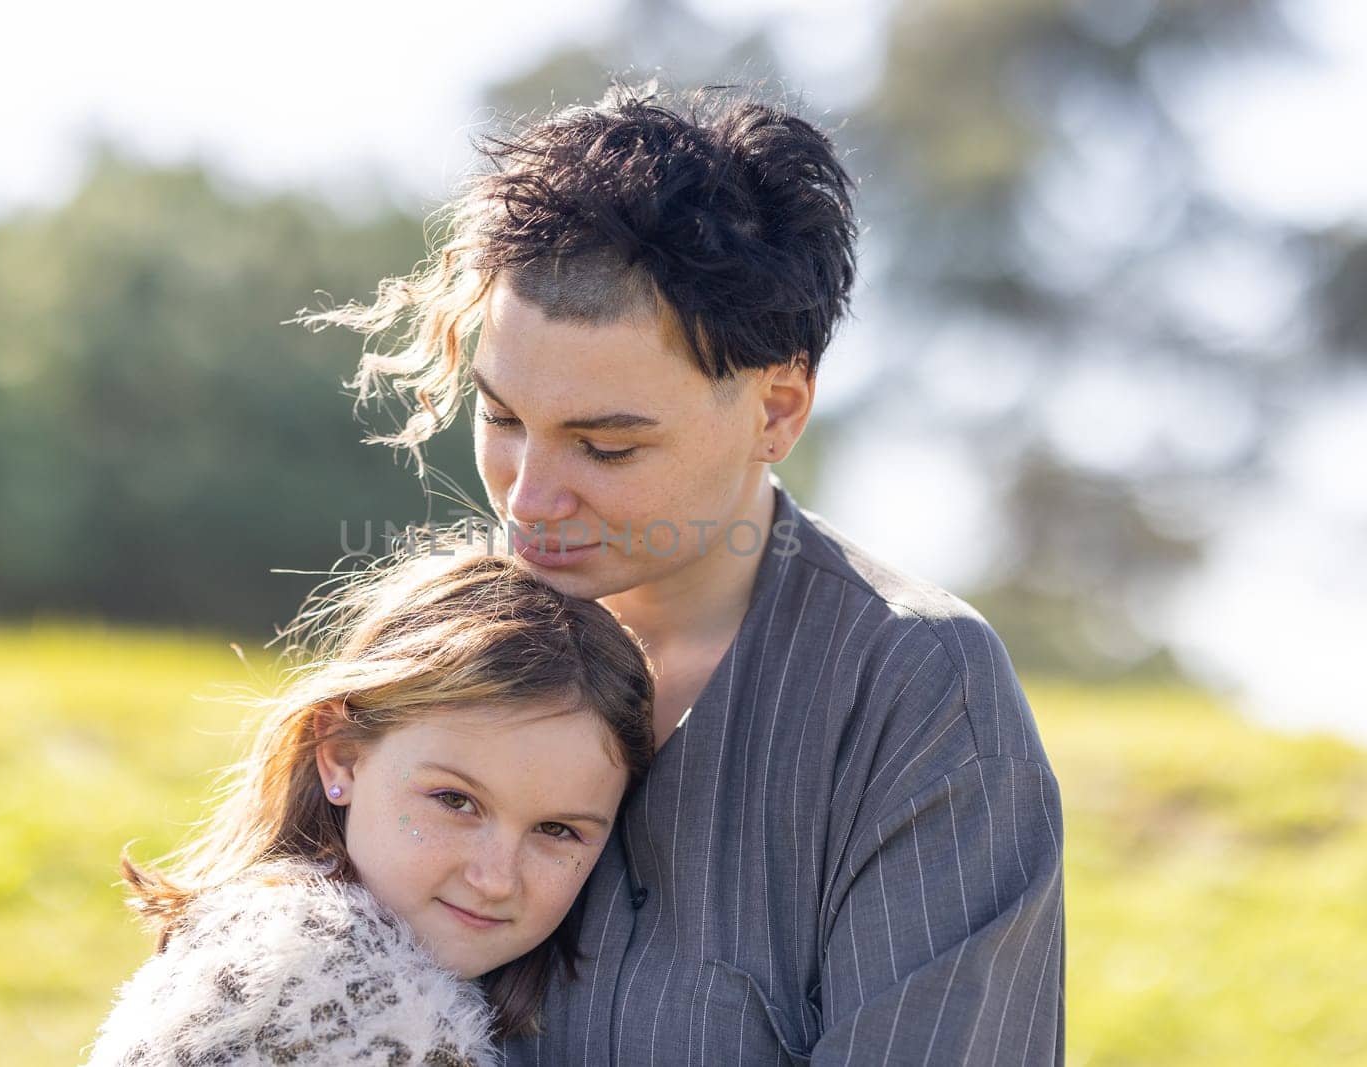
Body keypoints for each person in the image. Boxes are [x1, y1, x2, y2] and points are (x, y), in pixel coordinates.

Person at [300, 81, 1065, 1064]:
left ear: (778, 410)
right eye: (500, 417)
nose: (528, 499)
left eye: (606, 447)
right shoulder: (435, 649)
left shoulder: (913, 695)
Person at [81, 546, 657, 1066]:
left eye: (556, 830)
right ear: (342, 757)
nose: (495, 879)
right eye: (455, 800)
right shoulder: (319, 990)